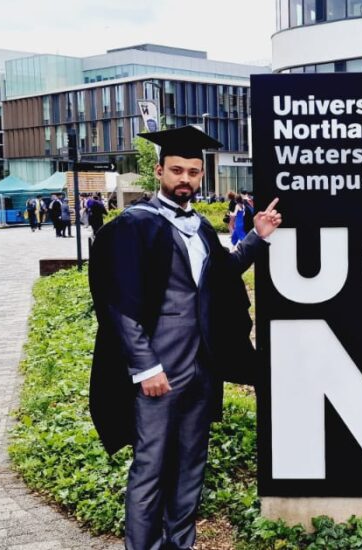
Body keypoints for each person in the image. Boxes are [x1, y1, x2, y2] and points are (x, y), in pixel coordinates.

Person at [88, 126, 281, 550]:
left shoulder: (201, 227)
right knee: (151, 466)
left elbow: (221, 278)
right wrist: (145, 366)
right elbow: (119, 303)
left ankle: (181, 542)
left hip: (201, 369)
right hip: (159, 370)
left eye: (193, 172)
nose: (186, 180)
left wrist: (257, 237)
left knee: (192, 463)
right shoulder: (134, 226)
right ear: (159, 171)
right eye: (177, 170)